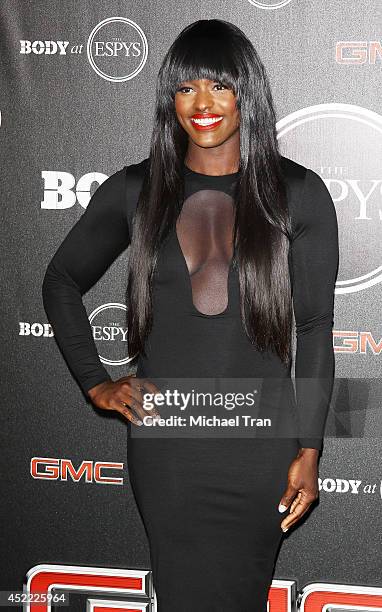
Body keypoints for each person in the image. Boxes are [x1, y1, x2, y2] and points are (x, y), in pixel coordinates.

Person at [42, 18, 339, 612]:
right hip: (169, 451)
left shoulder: (298, 194)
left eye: (219, 86)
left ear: (246, 93)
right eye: (184, 89)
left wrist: (309, 450)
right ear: (169, 101)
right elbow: (61, 280)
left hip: (260, 447)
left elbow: (313, 329)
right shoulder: (135, 190)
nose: (202, 104)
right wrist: (96, 383)